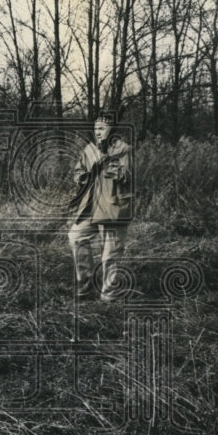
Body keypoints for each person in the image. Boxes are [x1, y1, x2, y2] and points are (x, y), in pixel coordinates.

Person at [68, 109, 133, 302]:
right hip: (90, 206)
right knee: (76, 237)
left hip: (113, 206)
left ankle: (108, 296)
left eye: (102, 128)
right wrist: (80, 176)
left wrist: (110, 168)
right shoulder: (89, 149)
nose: (98, 131)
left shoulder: (123, 149)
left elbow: (127, 175)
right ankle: (85, 285)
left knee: (110, 255)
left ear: (112, 129)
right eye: (96, 127)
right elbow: (78, 170)